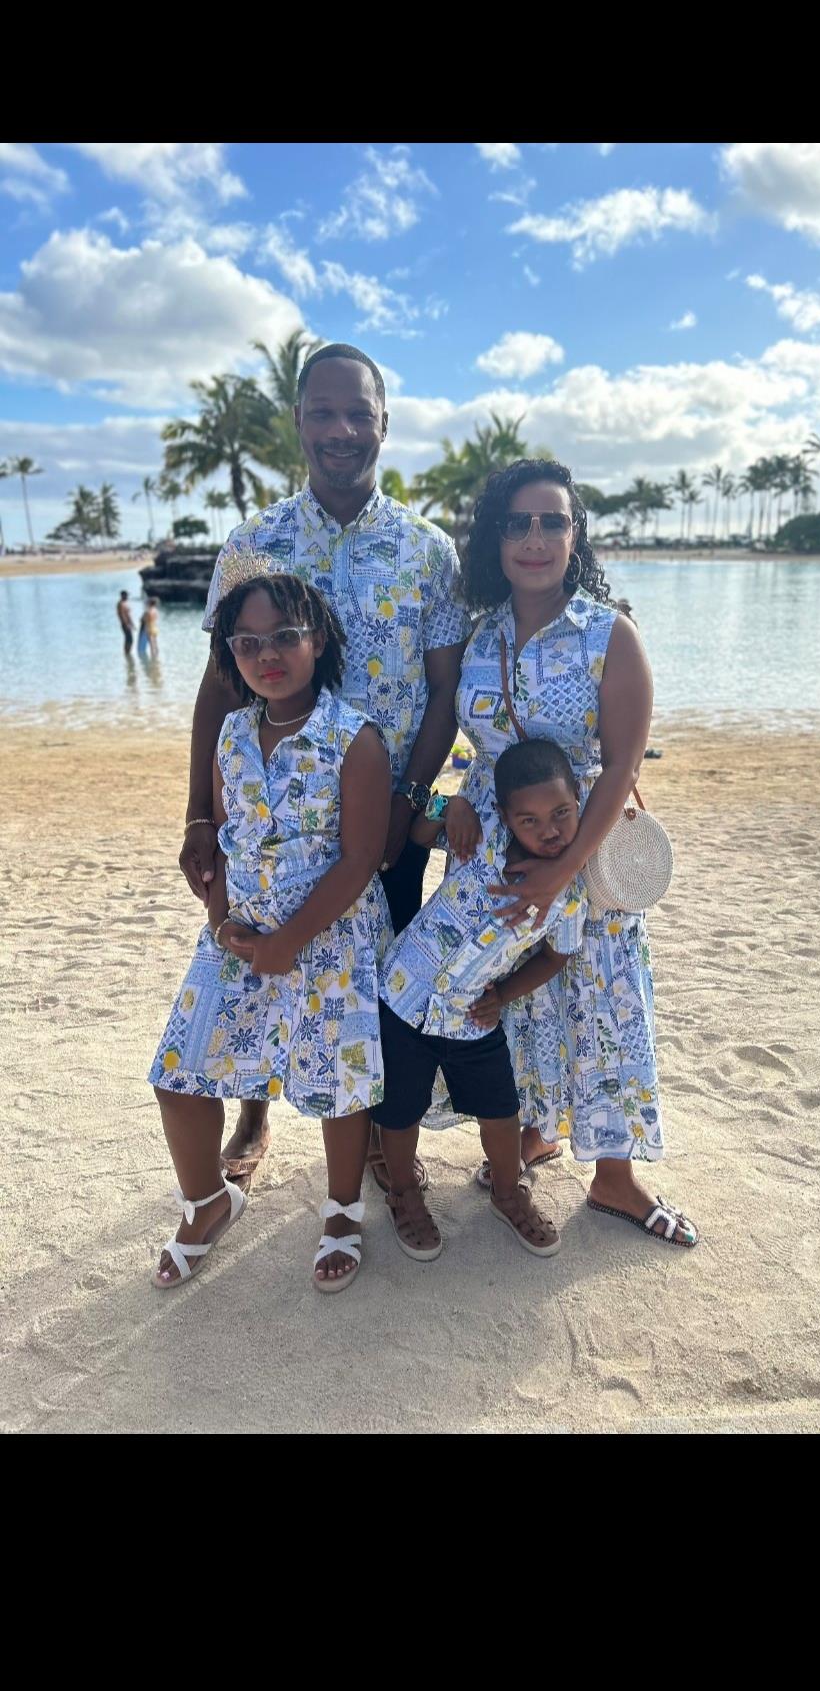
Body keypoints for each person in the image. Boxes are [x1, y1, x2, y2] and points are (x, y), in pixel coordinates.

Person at [178, 342, 468, 1187]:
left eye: (357, 414)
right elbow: (217, 685)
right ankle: (255, 1107)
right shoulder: (253, 542)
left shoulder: (428, 551)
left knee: (378, 975)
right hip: (269, 813)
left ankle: (376, 1128)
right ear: (298, 422)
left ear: (384, 423)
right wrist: (200, 813)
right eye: (323, 413)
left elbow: (444, 691)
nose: (341, 431)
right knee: (255, 954)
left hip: (393, 808)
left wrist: (409, 799)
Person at [445, 459, 697, 1249]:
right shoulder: (478, 635)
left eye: (552, 521)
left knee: (603, 998)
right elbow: (474, 743)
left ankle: (616, 1179)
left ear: (574, 535)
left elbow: (622, 764)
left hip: (582, 848)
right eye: (517, 522)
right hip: (493, 850)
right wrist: (454, 794)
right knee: (514, 997)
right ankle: (534, 1133)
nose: (534, 538)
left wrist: (562, 865)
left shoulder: (608, 632)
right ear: (496, 537)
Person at [149, 566, 393, 1295]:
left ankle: (344, 1209)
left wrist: (292, 940)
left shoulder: (356, 740)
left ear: (318, 640)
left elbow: (361, 859)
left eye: (285, 636)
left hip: (332, 939)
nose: (267, 654)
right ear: (230, 653)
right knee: (177, 1074)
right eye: (247, 642)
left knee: (336, 1084)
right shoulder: (230, 734)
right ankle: (209, 1201)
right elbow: (225, 838)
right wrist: (220, 917)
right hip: (240, 933)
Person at [376, 739, 588, 1259]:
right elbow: (420, 835)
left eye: (561, 813)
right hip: (405, 996)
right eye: (530, 820)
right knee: (399, 1112)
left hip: (473, 1013)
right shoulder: (482, 834)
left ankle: (507, 1194)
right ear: (506, 816)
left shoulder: (570, 893)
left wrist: (504, 994)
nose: (549, 830)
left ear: (579, 801)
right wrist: (453, 807)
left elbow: (556, 956)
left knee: (501, 1110)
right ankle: (404, 1195)